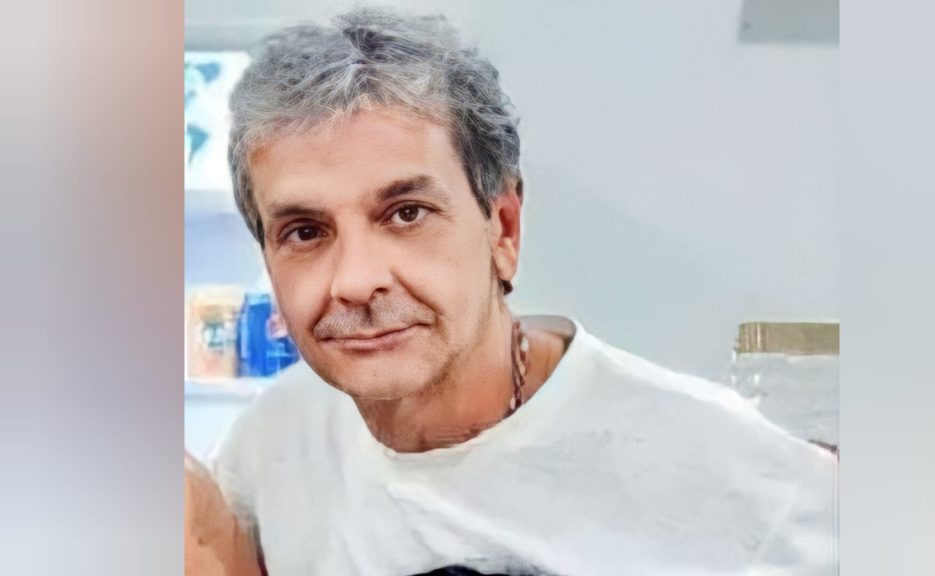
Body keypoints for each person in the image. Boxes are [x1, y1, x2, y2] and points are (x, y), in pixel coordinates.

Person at [211, 7, 837, 575]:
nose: (354, 280)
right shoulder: (269, 450)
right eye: (304, 231)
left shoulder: (738, 479)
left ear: (503, 227)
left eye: (406, 213)